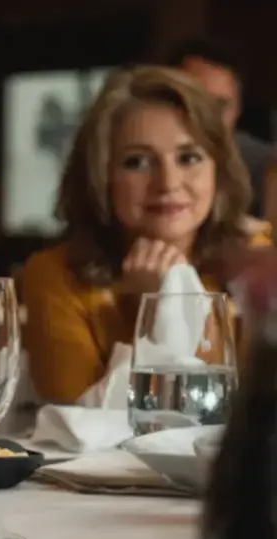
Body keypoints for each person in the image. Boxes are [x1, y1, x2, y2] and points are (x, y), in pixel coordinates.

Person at [20, 66, 267, 404]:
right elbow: (74, 423)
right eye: (137, 162)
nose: (167, 183)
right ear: (101, 175)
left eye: (189, 157)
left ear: (218, 170)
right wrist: (156, 314)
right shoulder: (55, 276)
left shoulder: (257, 263)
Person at [167, 37, 276, 217]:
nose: (207, 116)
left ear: (238, 110)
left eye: (220, 105)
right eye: (194, 101)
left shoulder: (264, 168)